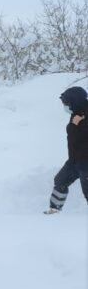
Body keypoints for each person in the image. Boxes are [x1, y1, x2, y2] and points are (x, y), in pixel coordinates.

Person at [45, 86, 88, 214]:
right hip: (75, 160)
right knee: (60, 181)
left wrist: (77, 125)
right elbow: (74, 135)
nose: (65, 106)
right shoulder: (76, 113)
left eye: (66, 103)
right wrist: (75, 124)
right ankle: (54, 209)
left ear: (75, 101)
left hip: (86, 162)